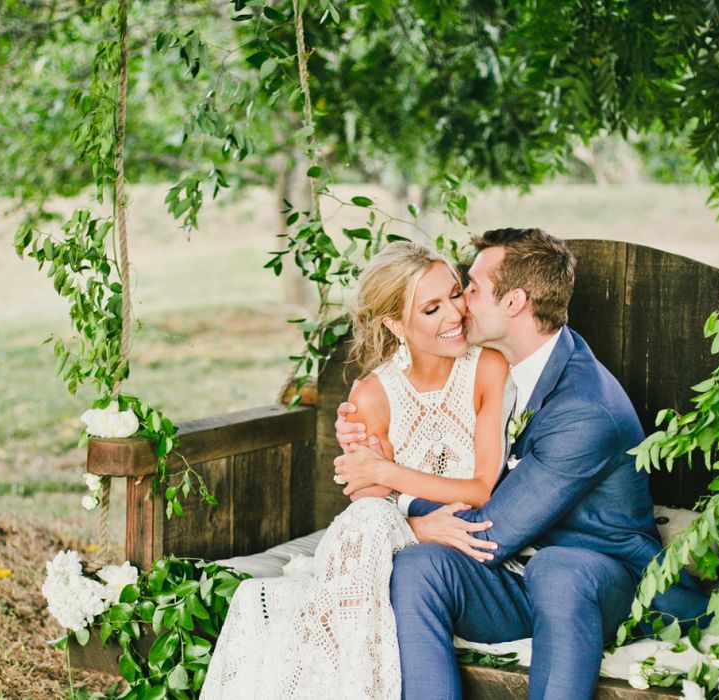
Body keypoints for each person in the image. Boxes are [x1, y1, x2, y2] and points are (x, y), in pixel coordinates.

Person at [334, 227, 708, 699]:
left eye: (470, 288)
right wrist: (363, 439)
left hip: (608, 581)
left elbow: (490, 532)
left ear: (513, 303)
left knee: (559, 570)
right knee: (419, 566)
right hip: (517, 575)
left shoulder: (585, 408)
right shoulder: (494, 366)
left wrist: (397, 497)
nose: (461, 303)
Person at [200, 241, 510, 699]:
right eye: (431, 308)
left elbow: (483, 488)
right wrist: (417, 526)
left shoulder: (487, 368)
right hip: (404, 542)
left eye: (455, 294)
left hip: (468, 551)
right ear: (394, 324)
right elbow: (371, 505)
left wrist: (385, 469)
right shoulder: (373, 396)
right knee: (273, 591)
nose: (454, 314)